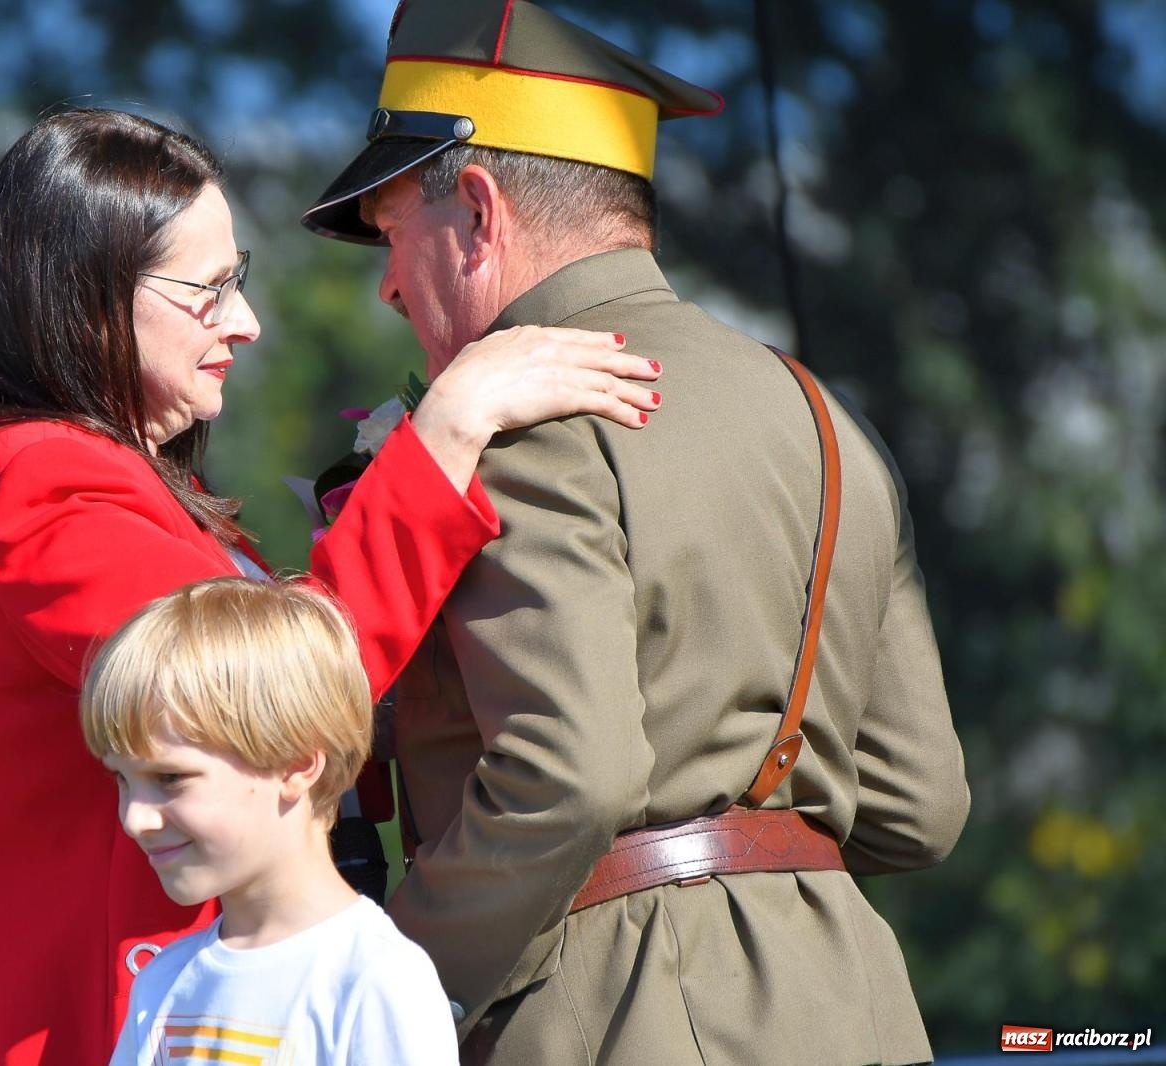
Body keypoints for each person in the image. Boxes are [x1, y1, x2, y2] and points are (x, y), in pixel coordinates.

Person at [0, 108, 661, 1066]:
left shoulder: (60, 470)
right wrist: (448, 431)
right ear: (84, 299)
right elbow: (261, 693)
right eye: (207, 291)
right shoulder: (34, 479)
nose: (244, 323)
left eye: (236, 282)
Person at [302, 3, 972, 1065]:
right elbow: (919, 806)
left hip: (615, 1016)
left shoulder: (524, 419)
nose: (386, 282)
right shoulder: (824, 419)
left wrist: (387, 988)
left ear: (476, 210)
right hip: (856, 1008)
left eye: (390, 234)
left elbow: (565, 779)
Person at [84, 578, 459, 1065]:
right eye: (122, 779)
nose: (135, 818)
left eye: (170, 778)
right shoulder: (163, 984)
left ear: (296, 766)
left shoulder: (374, 982)